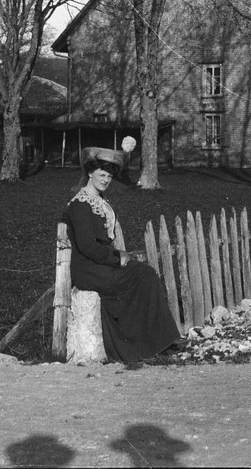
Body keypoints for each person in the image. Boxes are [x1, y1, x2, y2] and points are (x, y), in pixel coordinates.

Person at [59, 144, 182, 363]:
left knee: (144, 273)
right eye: (101, 174)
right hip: (87, 269)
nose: (106, 180)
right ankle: (142, 346)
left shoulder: (99, 202)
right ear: (89, 173)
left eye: (109, 176)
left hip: (99, 264)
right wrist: (117, 258)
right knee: (142, 275)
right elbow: (88, 247)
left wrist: (118, 257)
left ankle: (157, 342)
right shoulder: (80, 204)